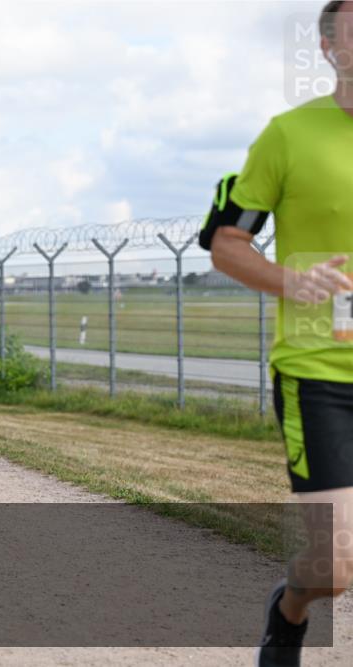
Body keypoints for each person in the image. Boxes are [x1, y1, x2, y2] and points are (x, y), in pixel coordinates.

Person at [200, 3, 353, 665]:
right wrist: (292, 282)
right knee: (335, 564)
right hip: (318, 373)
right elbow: (226, 242)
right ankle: (290, 607)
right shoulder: (287, 136)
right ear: (327, 46)